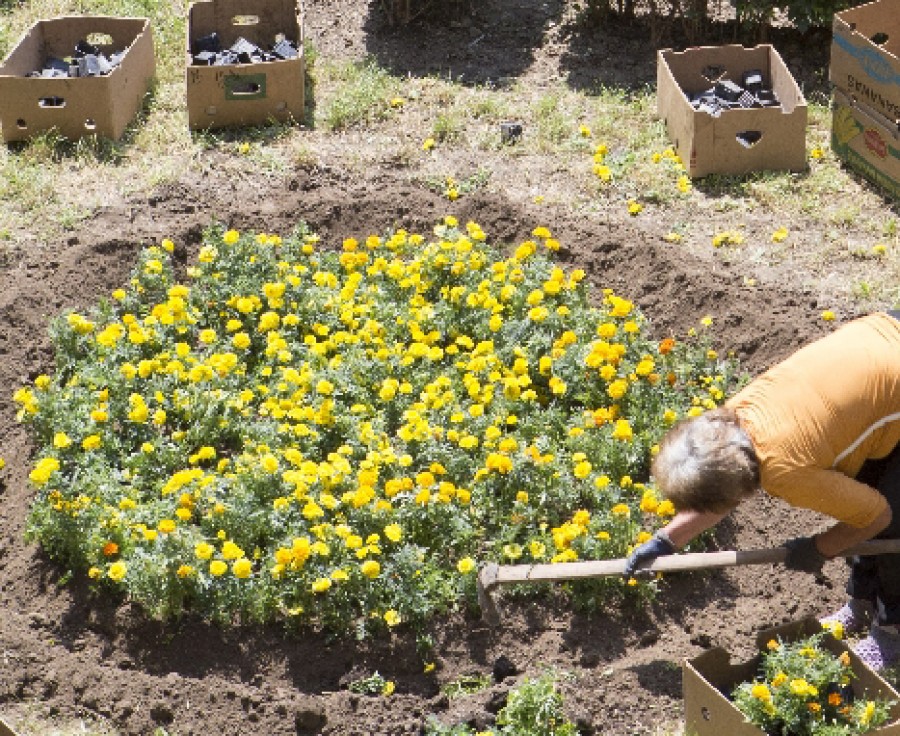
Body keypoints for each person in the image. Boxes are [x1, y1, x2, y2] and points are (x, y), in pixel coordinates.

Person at [624, 311, 900, 669]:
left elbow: (876, 516)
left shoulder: (785, 470)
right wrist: (667, 539)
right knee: (859, 493)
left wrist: (819, 548)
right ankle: (862, 604)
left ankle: (893, 631)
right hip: (882, 334)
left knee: (890, 520)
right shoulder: (735, 416)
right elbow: (724, 480)